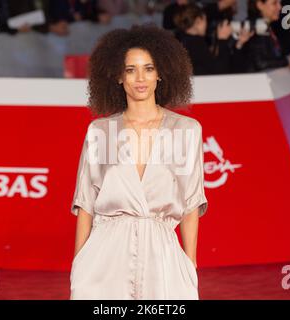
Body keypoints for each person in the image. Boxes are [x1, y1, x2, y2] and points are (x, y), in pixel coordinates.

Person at [70, 24, 208, 299]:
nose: (140, 78)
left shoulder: (186, 130)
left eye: (149, 68)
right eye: (130, 69)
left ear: (161, 74)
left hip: (163, 255)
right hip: (104, 257)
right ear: (119, 77)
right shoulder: (101, 132)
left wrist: (189, 264)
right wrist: (78, 265)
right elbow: (86, 203)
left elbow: (192, 202)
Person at [174, 3, 253, 74]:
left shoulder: (185, 42)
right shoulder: (195, 43)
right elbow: (220, 71)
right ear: (198, 21)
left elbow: (224, 66)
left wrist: (239, 44)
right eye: (205, 20)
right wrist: (222, 39)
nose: (207, 24)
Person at [246, 0, 290, 71]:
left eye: (280, 3)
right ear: (260, 5)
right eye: (274, 3)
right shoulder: (253, 27)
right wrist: (288, 60)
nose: (280, 7)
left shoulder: (268, 26)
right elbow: (260, 63)